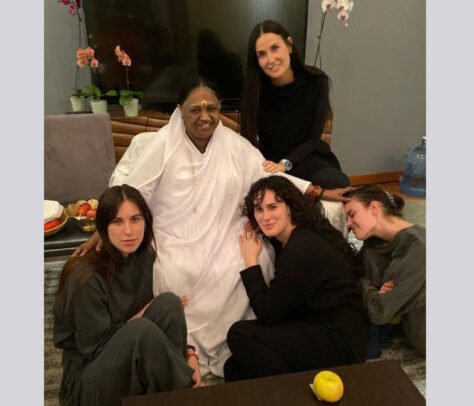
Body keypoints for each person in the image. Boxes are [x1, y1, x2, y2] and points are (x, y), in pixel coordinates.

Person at [73, 77, 350, 377]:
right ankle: (184, 347)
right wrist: (103, 228)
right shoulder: (162, 144)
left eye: (212, 108)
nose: (204, 116)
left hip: (227, 226)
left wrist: (317, 191)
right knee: (172, 270)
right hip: (175, 232)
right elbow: (133, 191)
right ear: (180, 111)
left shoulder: (234, 144)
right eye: (195, 109)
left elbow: (268, 177)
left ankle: (245, 340)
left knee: (254, 258)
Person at [54, 184, 203, 406]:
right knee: (141, 330)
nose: (129, 231)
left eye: (135, 219)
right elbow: (96, 349)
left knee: (169, 304)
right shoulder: (85, 278)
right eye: (117, 221)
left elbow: (147, 330)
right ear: (103, 226)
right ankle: (186, 394)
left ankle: (173, 391)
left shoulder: (143, 256)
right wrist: (143, 314)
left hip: (124, 361)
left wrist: (189, 354)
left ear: (146, 221)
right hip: (87, 383)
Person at [224, 175, 367, 381]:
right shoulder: (300, 234)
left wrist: (251, 262)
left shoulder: (301, 248)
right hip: (322, 328)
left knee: (239, 334)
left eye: (273, 207)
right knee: (234, 368)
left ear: (289, 207)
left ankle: (291, 390)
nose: (265, 216)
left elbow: (266, 312)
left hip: (339, 343)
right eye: (259, 210)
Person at [240, 20, 350, 189]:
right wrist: (267, 166)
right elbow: (248, 141)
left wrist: (285, 164)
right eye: (262, 54)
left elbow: (313, 139)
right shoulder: (255, 91)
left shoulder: (317, 81)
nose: (270, 59)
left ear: (289, 45)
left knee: (339, 182)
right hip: (270, 163)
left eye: (275, 48)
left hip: (306, 157)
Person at [343, 185, 426, 357]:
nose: (349, 224)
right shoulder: (375, 245)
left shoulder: (418, 246)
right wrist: (376, 292)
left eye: (352, 214)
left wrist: (363, 285)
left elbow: (379, 310)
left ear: (374, 207)